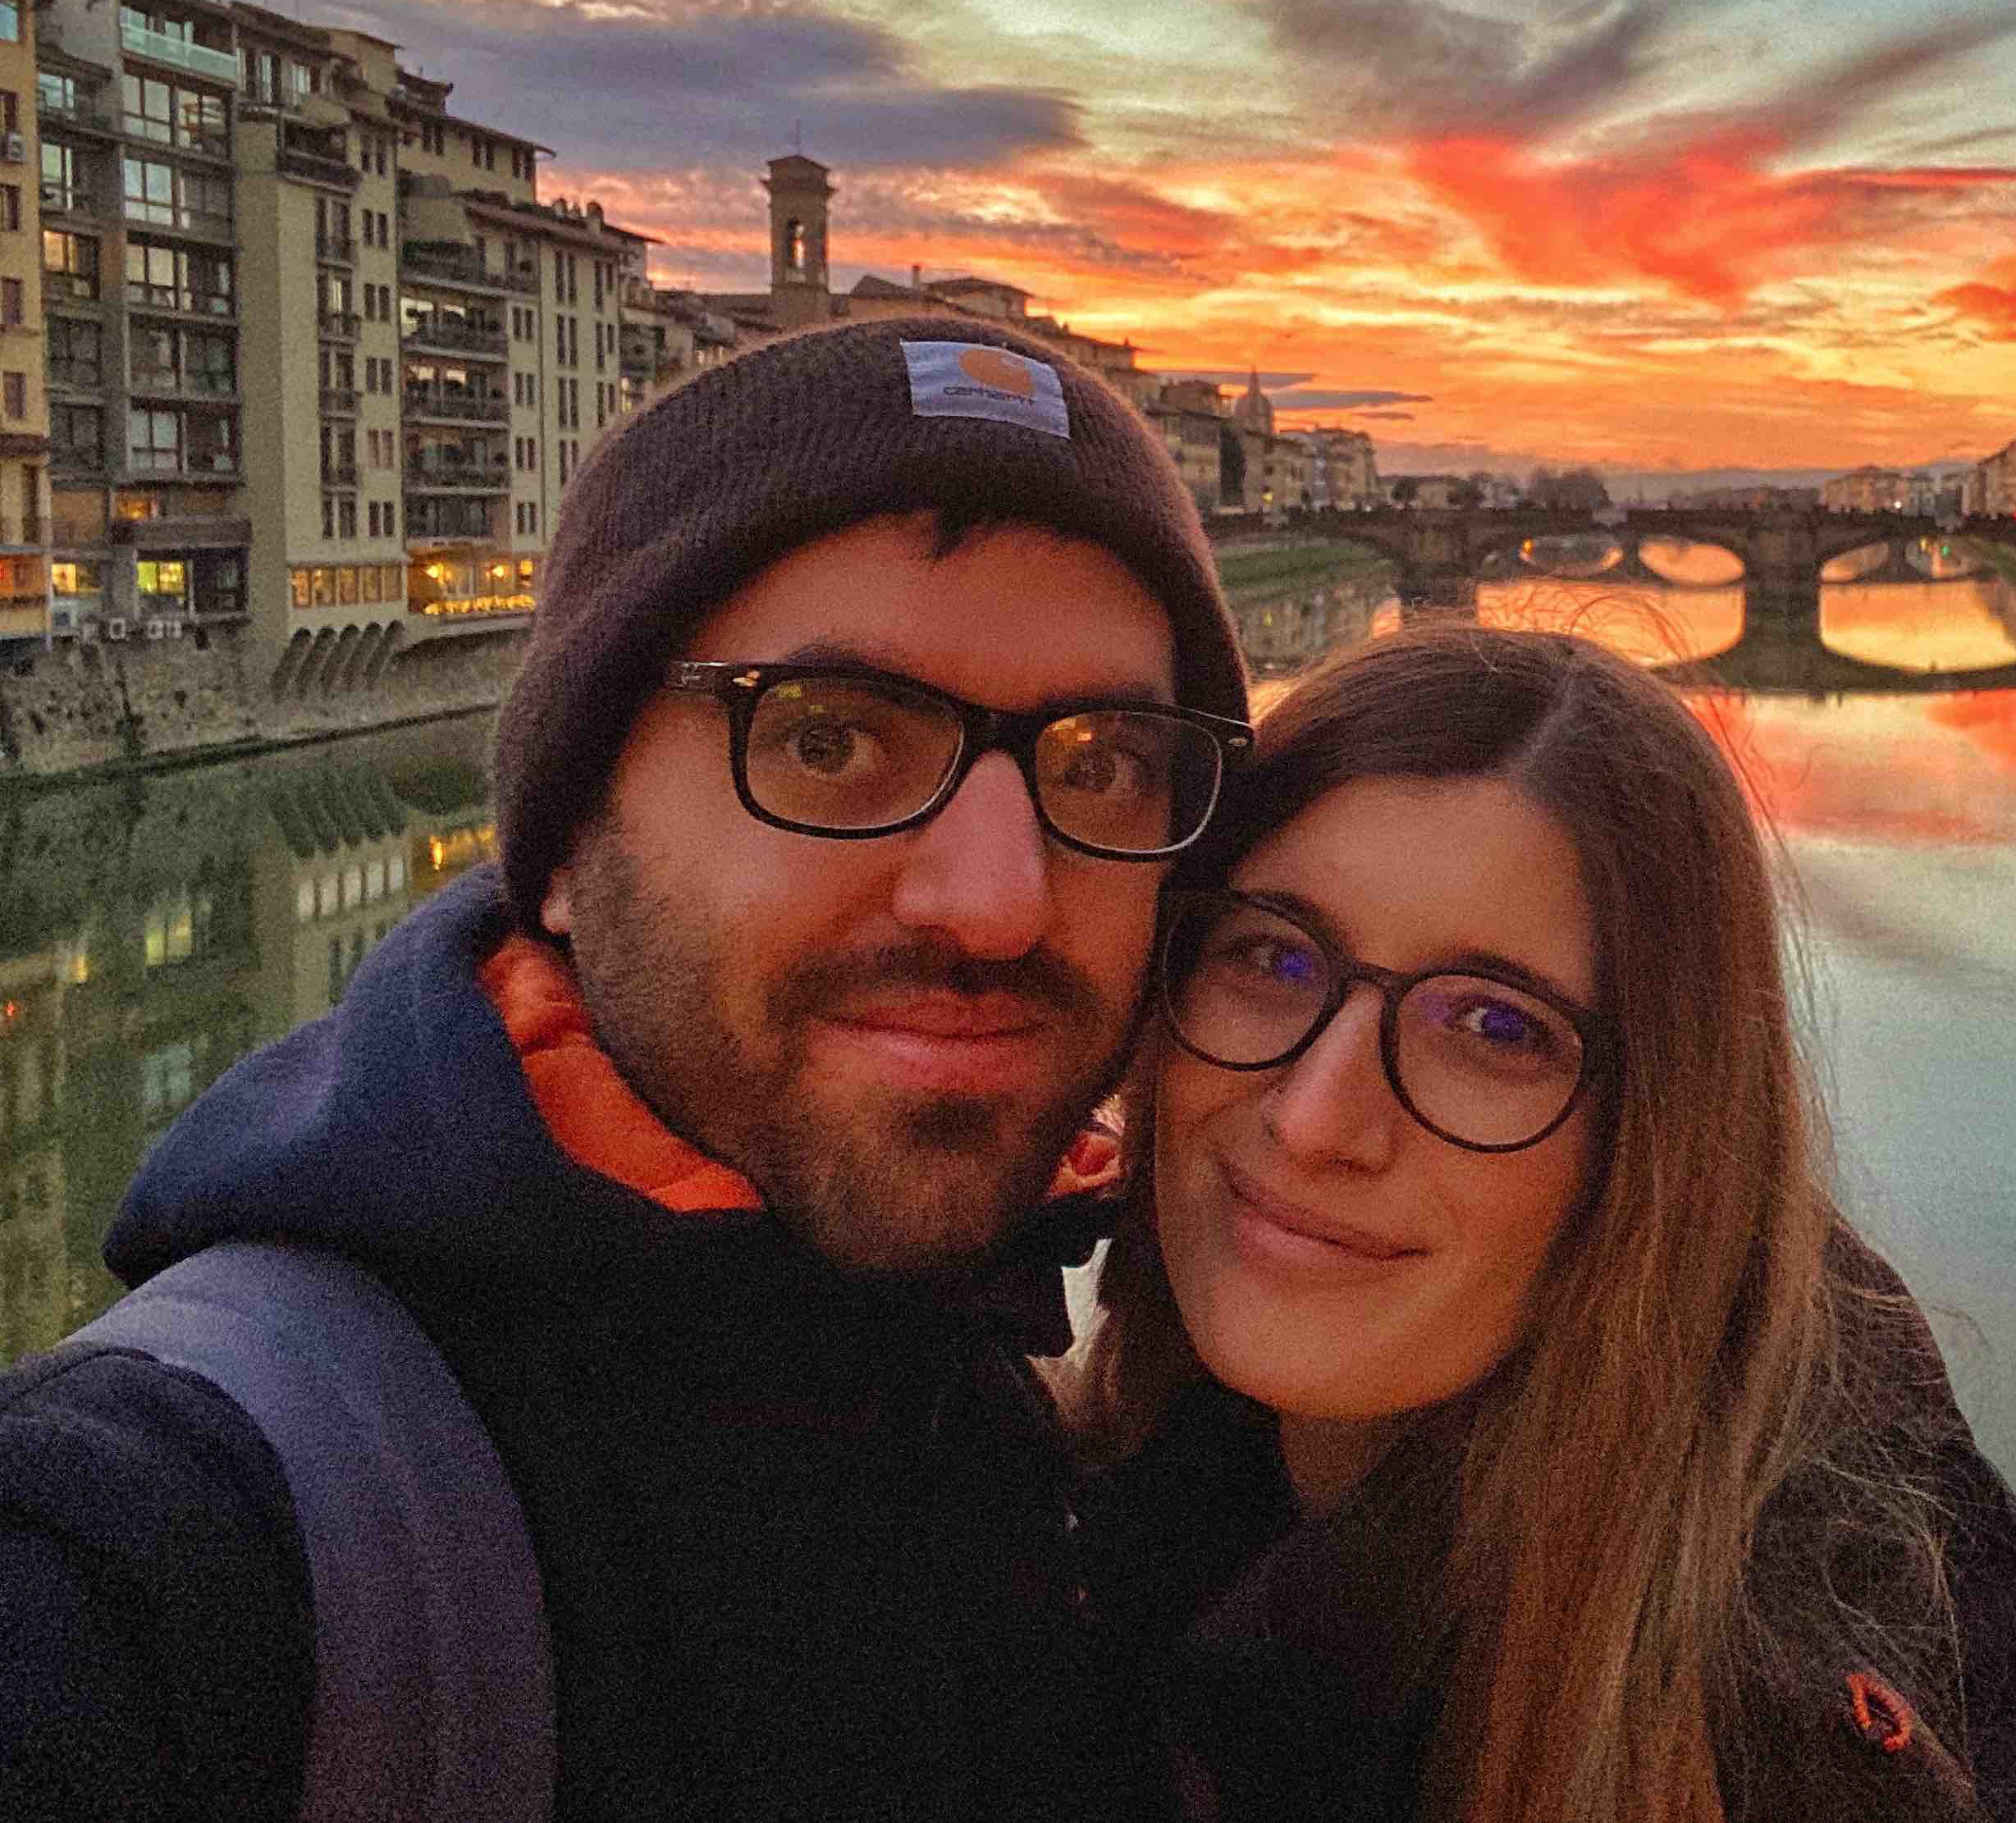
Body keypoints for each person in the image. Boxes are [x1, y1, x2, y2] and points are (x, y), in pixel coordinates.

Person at [0, 318, 1248, 1821]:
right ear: (573, 848)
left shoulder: (1032, 1434)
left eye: (1103, 762)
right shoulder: (164, 1529)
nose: (994, 900)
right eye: (830, 740)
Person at [1074, 624, 2016, 1823]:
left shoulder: (1816, 1751)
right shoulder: (1051, 1495)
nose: (1318, 1120)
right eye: (1268, 957)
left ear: (1657, 1146)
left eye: (1494, 1029)